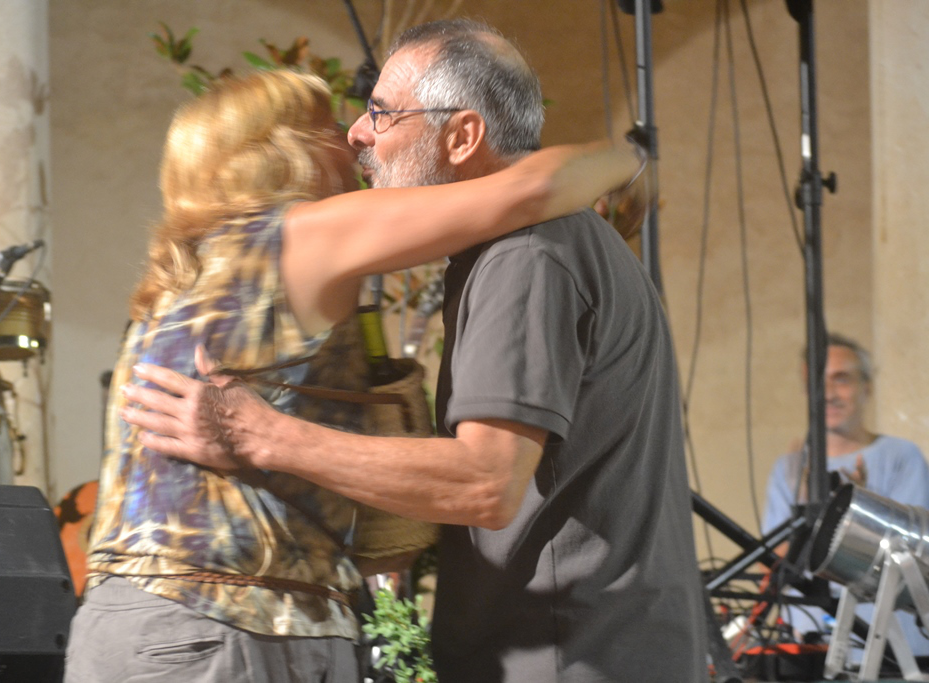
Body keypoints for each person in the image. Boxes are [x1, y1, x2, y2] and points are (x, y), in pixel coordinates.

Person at [122, 19, 707, 683]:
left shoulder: (524, 256)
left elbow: (485, 481)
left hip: (563, 656)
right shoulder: (548, 244)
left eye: (381, 113)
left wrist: (261, 434)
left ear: (462, 137)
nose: (356, 133)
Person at [763, 332, 929, 660]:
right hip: (810, 652)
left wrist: (861, 507)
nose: (828, 394)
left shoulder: (901, 456)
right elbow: (773, 562)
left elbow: (913, 557)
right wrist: (806, 510)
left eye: (842, 379)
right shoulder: (789, 468)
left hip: (893, 655)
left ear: (866, 387)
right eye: (817, 382)